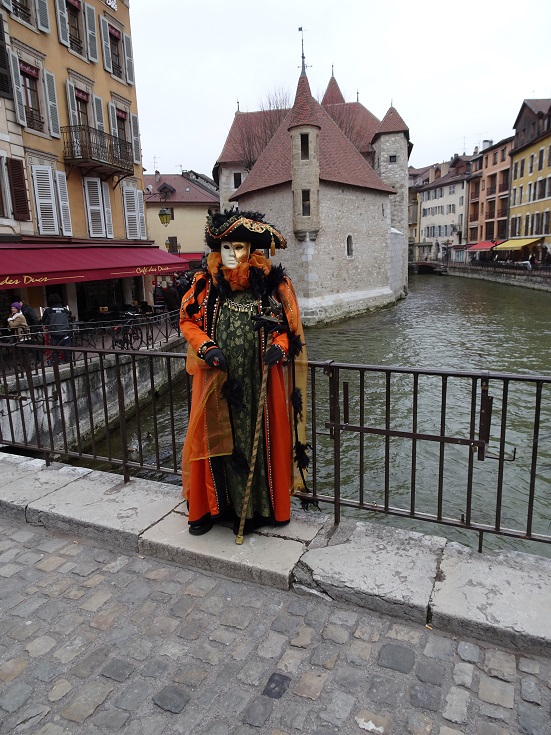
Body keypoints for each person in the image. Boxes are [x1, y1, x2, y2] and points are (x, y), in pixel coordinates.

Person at [179, 210, 308, 537]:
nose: (233, 256)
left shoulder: (272, 286)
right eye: (227, 248)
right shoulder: (205, 286)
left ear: (250, 250)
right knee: (216, 439)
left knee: (257, 440)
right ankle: (211, 507)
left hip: (259, 382)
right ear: (217, 249)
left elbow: (288, 328)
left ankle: (258, 510)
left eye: (240, 248)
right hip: (216, 379)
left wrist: (277, 346)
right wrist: (207, 347)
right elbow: (188, 321)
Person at [41, 294, 72, 362]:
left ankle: (56, 366)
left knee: (54, 352)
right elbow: (70, 321)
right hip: (65, 333)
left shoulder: (48, 311)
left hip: (54, 334)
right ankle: (69, 364)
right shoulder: (65, 310)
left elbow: (44, 322)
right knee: (67, 352)